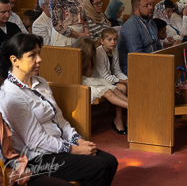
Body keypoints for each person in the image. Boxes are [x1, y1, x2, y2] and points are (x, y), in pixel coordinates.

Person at [0, 33, 118, 185]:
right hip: (37, 158)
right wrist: (74, 150)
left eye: (39, 53)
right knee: (99, 167)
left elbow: (60, 120)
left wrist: (78, 140)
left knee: (110, 161)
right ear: (14, 60)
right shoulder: (11, 95)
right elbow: (35, 141)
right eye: (32, 55)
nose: (39, 59)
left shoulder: (40, 82)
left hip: (59, 145)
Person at [73, 36, 128, 134]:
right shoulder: (74, 57)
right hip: (81, 82)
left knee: (114, 89)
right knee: (107, 92)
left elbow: (90, 75)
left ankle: (134, 105)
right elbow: (82, 76)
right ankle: (132, 107)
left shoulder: (90, 58)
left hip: (90, 80)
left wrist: (89, 65)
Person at [118, 0, 162, 75]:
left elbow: (158, 47)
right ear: (136, 10)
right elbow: (136, 56)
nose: (150, 8)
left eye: (150, 5)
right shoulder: (131, 26)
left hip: (152, 64)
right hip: (134, 68)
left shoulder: (152, 23)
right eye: (146, 6)